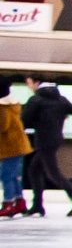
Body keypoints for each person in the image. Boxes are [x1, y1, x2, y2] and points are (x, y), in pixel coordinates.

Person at [19, 77, 72, 217]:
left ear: (37, 84)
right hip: (55, 139)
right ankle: (37, 205)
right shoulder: (61, 100)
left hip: (43, 140)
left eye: (30, 83)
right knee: (34, 170)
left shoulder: (36, 100)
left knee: (53, 173)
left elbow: (24, 121)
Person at [0, 84, 29, 218]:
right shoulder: (12, 106)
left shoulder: (3, 108)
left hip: (11, 147)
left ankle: (8, 204)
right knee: (13, 176)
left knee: (6, 175)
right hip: (17, 146)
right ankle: (19, 202)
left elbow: (2, 126)